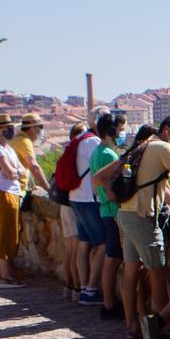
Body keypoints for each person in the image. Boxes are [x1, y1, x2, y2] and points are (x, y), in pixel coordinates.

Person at [121, 117, 170, 339]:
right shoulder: (163, 147)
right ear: (167, 130)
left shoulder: (143, 146)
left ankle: (131, 326)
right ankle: (164, 324)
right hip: (143, 216)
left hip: (127, 212)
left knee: (130, 274)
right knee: (157, 273)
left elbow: (162, 188)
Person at [89, 111, 128, 319]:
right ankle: (109, 304)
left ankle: (109, 301)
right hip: (112, 210)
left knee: (110, 257)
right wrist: (114, 195)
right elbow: (103, 180)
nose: (122, 134)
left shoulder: (97, 152)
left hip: (104, 208)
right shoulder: (108, 154)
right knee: (112, 258)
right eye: (121, 130)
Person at [69, 106, 108, 306]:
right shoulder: (93, 142)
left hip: (76, 197)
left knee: (84, 245)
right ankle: (91, 291)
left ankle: (84, 288)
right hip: (89, 199)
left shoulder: (80, 138)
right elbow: (101, 170)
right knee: (103, 245)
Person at [0, 114, 28, 287]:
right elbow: (10, 172)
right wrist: (16, 172)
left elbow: (20, 171)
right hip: (2, 193)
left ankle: (4, 272)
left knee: (12, 233)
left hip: (11, 192)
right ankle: (4, 277)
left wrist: (16, 172)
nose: (10, 129)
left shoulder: (8, 149)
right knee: (4, 234)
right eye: (6, 127)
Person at [59, 122, 87, 300]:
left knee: (70, 249)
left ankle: (68, 285)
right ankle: (77, 288)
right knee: (77, 248)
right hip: (75, 202)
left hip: (64, 203)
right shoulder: (79, 154)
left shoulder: (68, 153)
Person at [12, 113, 52, 198]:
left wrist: (32, 185)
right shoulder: (24, 141)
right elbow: (34, 167)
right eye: (40, 127)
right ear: (33, 128)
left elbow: (24, 165)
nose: (41, 130)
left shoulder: (17, 139)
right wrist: (49, 189)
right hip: (14, 192)